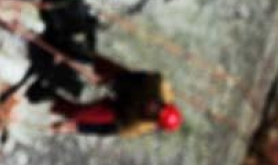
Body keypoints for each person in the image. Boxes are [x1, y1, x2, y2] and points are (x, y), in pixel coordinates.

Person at [50, 53, 184, 137]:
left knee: (77, 114)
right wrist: (111, 81)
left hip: (118, 110)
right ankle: (67, 50)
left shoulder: (137, 125)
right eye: (160, 106)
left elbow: (105, 129)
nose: (155, 107)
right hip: (128, 84)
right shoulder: (156, 85)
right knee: (93, 62)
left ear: (152, 119)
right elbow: (133, 76)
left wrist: (76, 127)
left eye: (156, 113)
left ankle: (50, 96)